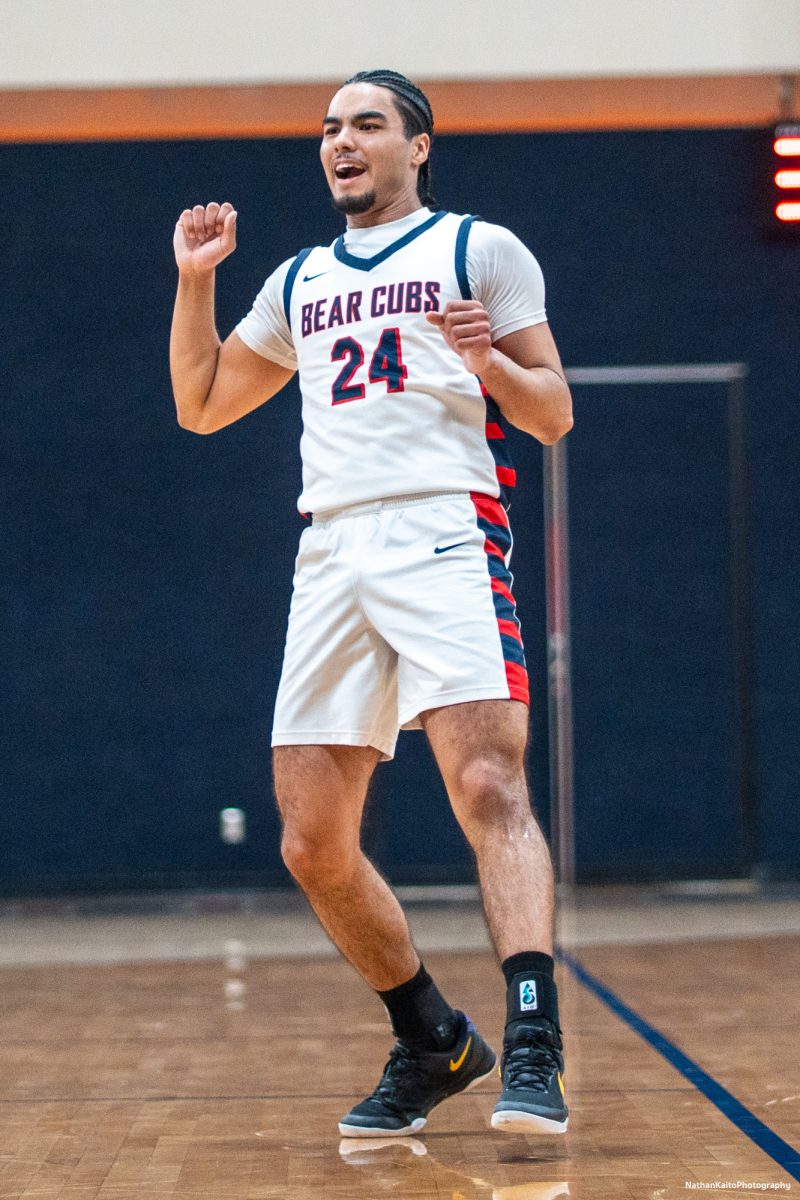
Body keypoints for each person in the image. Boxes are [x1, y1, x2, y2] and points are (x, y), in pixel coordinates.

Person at [170, 68, 573, 1139]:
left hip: (443, 526)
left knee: (487, 784)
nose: (339, 141)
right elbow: (202, 404)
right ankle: (430, 1038)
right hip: (332, 547)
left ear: (418, 144)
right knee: (309, 843)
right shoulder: (298, 278)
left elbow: (551, 415)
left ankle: (532, 1039)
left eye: (365, 125)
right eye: (328, 128)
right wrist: (197, 279)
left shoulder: (477, 249)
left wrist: (488, 362)